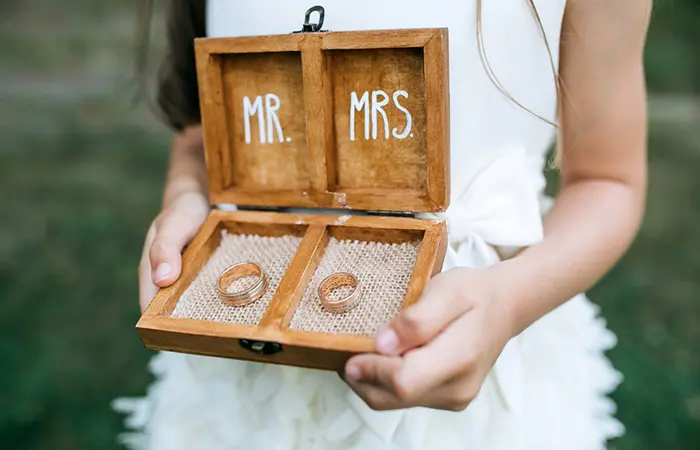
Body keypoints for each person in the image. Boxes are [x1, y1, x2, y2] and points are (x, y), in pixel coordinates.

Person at [114, 1, 651, 448]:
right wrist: (186, 193)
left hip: (475, 370)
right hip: (240, 383)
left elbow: (608, 179)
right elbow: (198, 127)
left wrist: (508, 301)